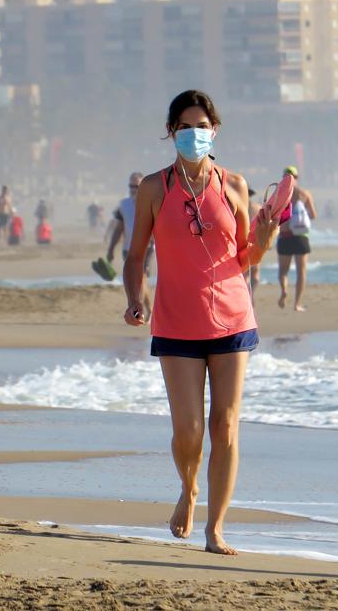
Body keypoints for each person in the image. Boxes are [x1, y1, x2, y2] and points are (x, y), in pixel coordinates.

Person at [123, 90, 279, 556]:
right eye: (186, 126)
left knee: (225, 426)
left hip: (232, 316)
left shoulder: (234, 185)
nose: (195, 134)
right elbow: (135, 257)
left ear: (215, 130)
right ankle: (188, 489)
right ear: (172, 131)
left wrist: (266, 238)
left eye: (203, 126)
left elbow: (246, 256)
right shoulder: (155, 188)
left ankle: (216, 529)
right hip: (175, 322)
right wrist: (135, 298)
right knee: (188, 430)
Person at [107, 172, 154, 318]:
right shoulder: (124, 205)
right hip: (128, 249)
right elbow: (119, 228)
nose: (133, 189)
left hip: (147, 247)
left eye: (136, 186)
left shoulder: (151, 202)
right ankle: (141, 311)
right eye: (131, 186)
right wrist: (111, 248)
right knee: (133, 282)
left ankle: (148, 312)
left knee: (142, 278)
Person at [276, 166, 317, 312]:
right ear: (297, 178)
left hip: (285, 236)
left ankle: (283, 291)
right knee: (301, 272)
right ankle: (297, 304)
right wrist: (301, 215)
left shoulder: (279, 195)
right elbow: (313, 215)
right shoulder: (304, 194)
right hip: (300, 237)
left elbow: (273, 216)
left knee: (283, 271)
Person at [246, 187, 261, 294]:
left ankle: (250, 296)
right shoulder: (236, 207)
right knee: (248, 274)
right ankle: (249, 297)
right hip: (246, 244)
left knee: (254, 275)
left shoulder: (257, 208)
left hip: (254, 244)